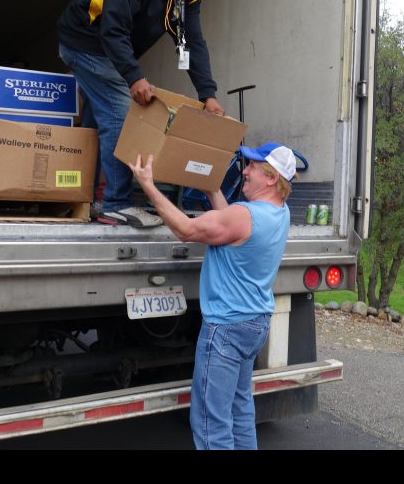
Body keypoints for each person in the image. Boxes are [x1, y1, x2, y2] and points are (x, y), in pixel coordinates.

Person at [127, 142, 297, 450]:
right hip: (254, 322)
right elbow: (233, 225)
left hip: (226, 329)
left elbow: (187, 230)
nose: (244, 171)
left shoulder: (244, 215)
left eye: (252, 167)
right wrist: (211, 190)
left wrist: (148, 186)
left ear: (271, 178)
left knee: (211, 423)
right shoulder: (279, 213)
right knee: (240, 409)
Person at [58, 0, 226, 227]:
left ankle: (83, 197)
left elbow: (194, 44)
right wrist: (134, 76)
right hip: (85, 43)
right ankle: (116, 203)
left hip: (111, 50)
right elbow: (113, 31)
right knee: (122, 115)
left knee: (100, 123)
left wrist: (208, 95)